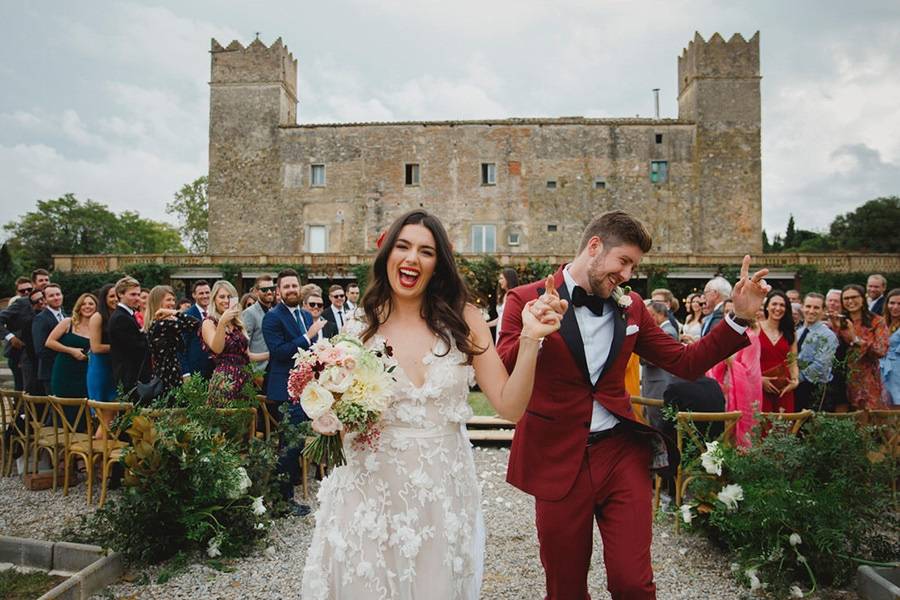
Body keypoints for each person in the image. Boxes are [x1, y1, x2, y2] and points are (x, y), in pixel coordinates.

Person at [496, 210, 769, 599]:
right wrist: (531, 334)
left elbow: (683, 361)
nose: (627, 274)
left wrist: (739, 318)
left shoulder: (631, 305)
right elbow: (502, 366)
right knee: (565, 586)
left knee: (633, 583)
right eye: (624, 261)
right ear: (594, 247)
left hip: (620, 452)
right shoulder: (524, 299)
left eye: (633, 266)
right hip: (557, 457)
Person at [301, 210, 563, 599]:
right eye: (403, 247)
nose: (411, 259)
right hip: (369, 491)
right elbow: (339, 412)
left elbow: (511, 408)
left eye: (425, 251)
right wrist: (325, 416)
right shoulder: (357, 329)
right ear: (387, 254)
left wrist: (530, 340)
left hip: (442, 492)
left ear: (437, 264)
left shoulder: (465, 320)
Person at [262, 269, 326, 513]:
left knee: (294, 444)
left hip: (305, 389)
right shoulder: (272, 318)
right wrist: (306, 336)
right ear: (278, 291)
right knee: (290, 444)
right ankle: (280, 500)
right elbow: (278, 352)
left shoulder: (304, 315)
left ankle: (282, 495)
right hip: (283, 390)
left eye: (294, 286)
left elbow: (309, 352)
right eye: (286, 286)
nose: (291, 290)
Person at [829, 284, 889, 410]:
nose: (850, 301)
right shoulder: (840, 321)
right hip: (841, 379)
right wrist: (835, 328)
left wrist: (856, 339)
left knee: (866, 422)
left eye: (854, 297)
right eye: (846, 298)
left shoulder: (877, 321)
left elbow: (881, 350)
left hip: (866, 379)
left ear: (863, 298)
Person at [200, 280, 262, 403]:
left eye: (230, 297)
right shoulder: (209, 322)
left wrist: (271, 353)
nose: (226, 301)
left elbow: (247, 355)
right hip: (224, 379)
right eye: (222, 297)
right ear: (214, 300)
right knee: (225, 419)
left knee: (246, 420)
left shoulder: (238, 324)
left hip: (244, 379)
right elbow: (217, 348)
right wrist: (222, 322)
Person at [145, 285, 200, 396]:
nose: (172, 303)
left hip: (165, 373)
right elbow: (196, 324)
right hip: (169, 376)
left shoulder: (158, 323)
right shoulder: (164, 324)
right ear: (158, 302)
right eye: (168, 300)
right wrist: (175, 313)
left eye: (173, 300)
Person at [45, 293, 96, 401]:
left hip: (86, 373)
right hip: (64, 371)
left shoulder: (98, 327)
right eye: (83, 304)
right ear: (79, 307)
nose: (87, 306)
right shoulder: (68, 323)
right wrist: (70, 351)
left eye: (91, 304)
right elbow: (49, 342)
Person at [108, 277, 150, 402]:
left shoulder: (126, 315)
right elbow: (136, 347)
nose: (137, 298)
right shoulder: (121, 318)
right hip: (129, 376)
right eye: (132, 294)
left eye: (138, 294)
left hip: (131, 374)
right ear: (120, 294)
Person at [640, 301, 681, 429]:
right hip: (653, 383)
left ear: (658, 314)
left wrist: (639, 348)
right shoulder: (662, 330)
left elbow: (656, 358)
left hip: (660, 384)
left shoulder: (668, 332)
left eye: (650, 315)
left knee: (658, 423)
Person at [795, 293, 838, 412]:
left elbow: (821, 365)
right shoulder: (798, 332)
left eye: (816, 307)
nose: (811, 311)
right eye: (808, 306)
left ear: (823, 310)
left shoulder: (828, 336)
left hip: (814, 388)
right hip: (796, 386)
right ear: (802, 307)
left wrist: (796, 378)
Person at [759, 290, 799, 413]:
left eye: (782, 305)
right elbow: (745, 361)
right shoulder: (755, 328)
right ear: (767, 307)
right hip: (760, 386)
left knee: (783, 428)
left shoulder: (790, 333)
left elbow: (792, 361)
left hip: (784, 389)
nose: (778, 308)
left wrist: (795, 381)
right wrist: (759, 379)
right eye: (774, 304)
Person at [1, 277, 39, 391]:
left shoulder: (43, 302)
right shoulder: (19, 303)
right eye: (22, 291)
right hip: (17, 352)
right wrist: (11, 337)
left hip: (35, 353)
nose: (26, 292)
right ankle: (20, 408)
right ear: (17, 292)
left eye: (29, 289)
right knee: (22, 387)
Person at [87, 284, 119, 403]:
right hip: (101, 366)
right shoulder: (97, 317)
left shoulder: (120, 316)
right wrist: (122, 348)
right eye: (111, 296)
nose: (115, 299)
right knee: (104, 405)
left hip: (116, 366)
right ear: (104, 298)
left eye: (117, 296)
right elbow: (95, 347)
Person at [32, 283, 67, 395]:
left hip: (67, 371)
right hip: (50, 371)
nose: (56, 298)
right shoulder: (40, 319)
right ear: (45, 300)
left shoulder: (66, 316)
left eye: (58, 294)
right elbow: (40, 349)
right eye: (51, 296)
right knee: (56, 408)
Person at [242, 275, 275, 375]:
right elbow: (243, 350)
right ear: (256, 291)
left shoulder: (274, 312)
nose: (269, 292)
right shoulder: (249, 313)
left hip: (273, 370)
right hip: (256, 373)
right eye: (264, 289)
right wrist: (273, 354)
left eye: (272, 288)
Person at [181, 280, 214, 379]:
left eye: (207, 293)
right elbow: (182, 347)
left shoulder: (215, 314)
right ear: (194, 295)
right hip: (196, 370)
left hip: (215, 368)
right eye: (201, 293)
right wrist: (186, 373)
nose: (205, 296)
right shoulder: (187, 316)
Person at [487, 268, 519, 342]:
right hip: (499, 331)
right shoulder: (503, 295)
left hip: (509, 333)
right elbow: (500, 318)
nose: (499, 281)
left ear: (509, 279)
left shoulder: (515, 295)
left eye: (501, 278)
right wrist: (486, 324)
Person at [881, 288, 900, 407]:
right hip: (881, 368)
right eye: (892, 303)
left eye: (899, 304)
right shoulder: (881, 322)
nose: (895, 307)